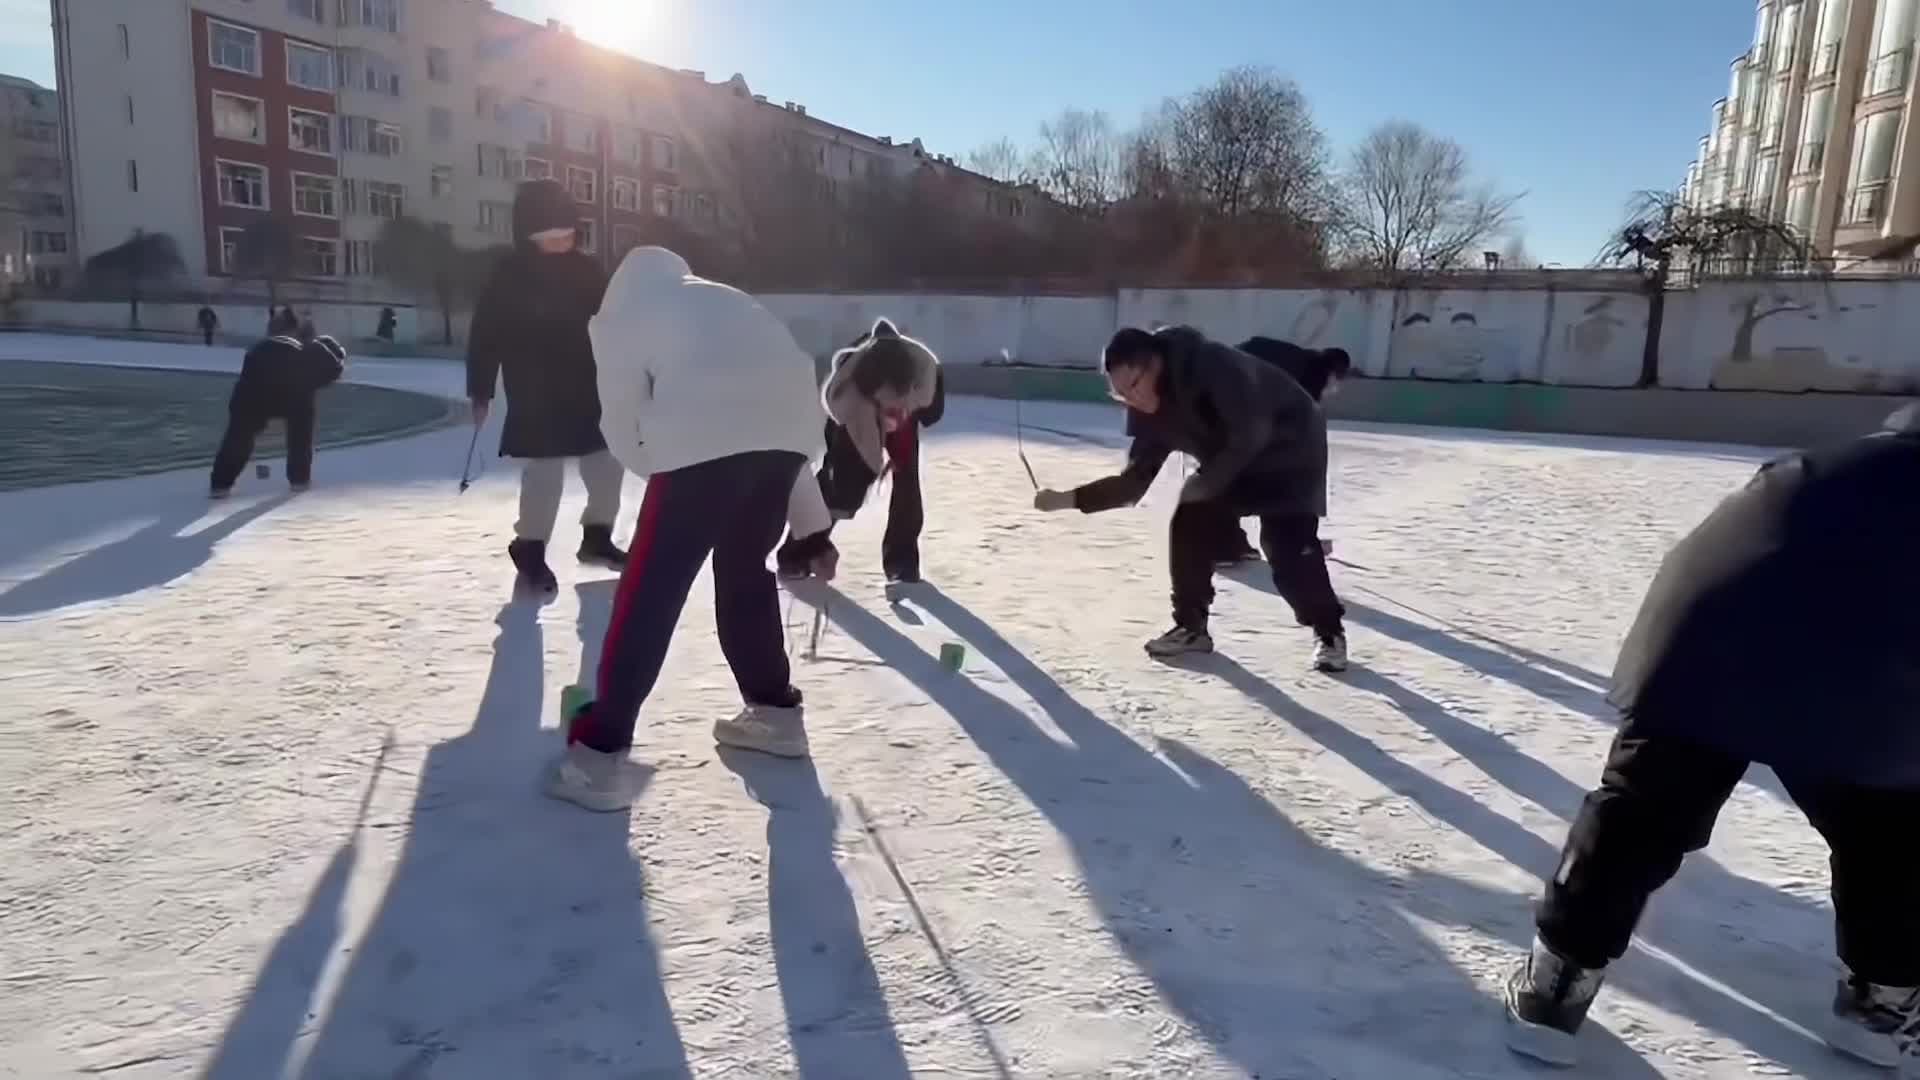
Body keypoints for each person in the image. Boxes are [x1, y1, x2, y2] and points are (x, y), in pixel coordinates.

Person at [1504, 404, 1920, 1071]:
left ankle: (1557, 985)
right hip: (1851, 666)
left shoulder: (1832, 458)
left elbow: (1717, 547)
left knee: (1641, 810)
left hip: (1711, 629)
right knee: (1892, 833)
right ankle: (1880, 1000)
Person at [549, 246, 855, 812]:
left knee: (651, 590)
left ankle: (598, 754)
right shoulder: (723, 298)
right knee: (745, 573)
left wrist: (667, 471)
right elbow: (778, 423)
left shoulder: (619, 315)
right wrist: (812, 530)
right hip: (791, 434)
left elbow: (618, 422)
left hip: (702, 443)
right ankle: (774, 714)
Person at [1032, 325, 1349, 672]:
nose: (1132, 400)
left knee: (1286, 548)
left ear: (1155, 365)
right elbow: (1134, 483)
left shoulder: (1212, 366)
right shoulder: (1147, 410)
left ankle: (1329, 632)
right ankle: (1191, 628)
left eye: (1134, 386)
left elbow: (1250, 432)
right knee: (1189, 519)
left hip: (1290, 447)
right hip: (1232, 455)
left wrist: (1206, 483)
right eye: (1120, 394)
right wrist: (1068, 499)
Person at [466, 177, 627, 595]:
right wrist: (480, 390)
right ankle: (531, 549)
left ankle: (597, 537)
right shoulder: (509, 273)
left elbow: (615, 323)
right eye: (553, 237)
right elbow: (486, 333)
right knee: (544, 475)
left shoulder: (589, 269)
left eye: (567, 235)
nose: (562, 242)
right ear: (531, 235)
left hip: (589, 387)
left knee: (607, 465)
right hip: (535, 390)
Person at [775, 318, 944, 584]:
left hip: (902, 415)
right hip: (857, 420)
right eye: (886, 404)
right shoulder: (849, 391)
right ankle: (797, 553)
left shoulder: (924, 372)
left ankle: (902, 562)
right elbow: (835, 412)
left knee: (907, 485)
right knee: (837, 486)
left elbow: (932, 413)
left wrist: (901, 418)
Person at [1215, 337, 1352, 565]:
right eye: (1338, 380)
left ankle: (1229, 542)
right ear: (1333, 372)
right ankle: (1220, 545)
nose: (1335, 388)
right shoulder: (1309, 378)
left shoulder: (1301, 363)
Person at [209, 332, 347, 497]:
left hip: (250, 391)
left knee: (239, 436)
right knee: (300, 434)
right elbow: (301, 440)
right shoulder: (316, 370)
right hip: (277, 389)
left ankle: (220, 484)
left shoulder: (291, 351)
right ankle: (299, 481)